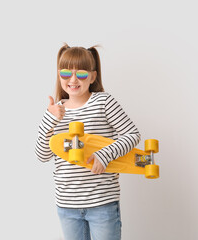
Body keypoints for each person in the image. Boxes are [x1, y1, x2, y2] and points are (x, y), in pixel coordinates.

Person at [35, 43, 141, 240]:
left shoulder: (103, 102)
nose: (73, 80)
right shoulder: (55, 111)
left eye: (81, 74)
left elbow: (132, 134)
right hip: (67, 205)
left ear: (92, 77)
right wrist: (50, 120)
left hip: (102, 202)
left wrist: (104, 155)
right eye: (66, 73)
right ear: (59, 75)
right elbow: (42, 155)